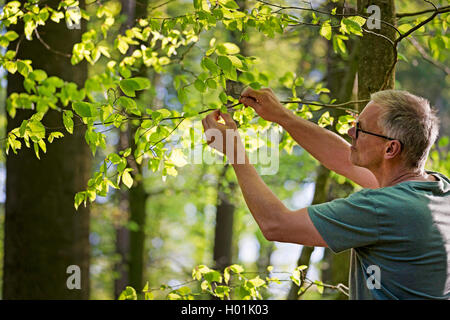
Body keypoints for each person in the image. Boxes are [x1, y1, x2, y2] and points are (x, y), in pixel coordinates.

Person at [201, 88, 450, 300]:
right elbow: (343, 159)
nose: (351, 132)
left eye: (361, 129)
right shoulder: (438, 189)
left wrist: (234, 151)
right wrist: (282, 116)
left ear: (390, 149)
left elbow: (276, 224)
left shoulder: (383, 209)